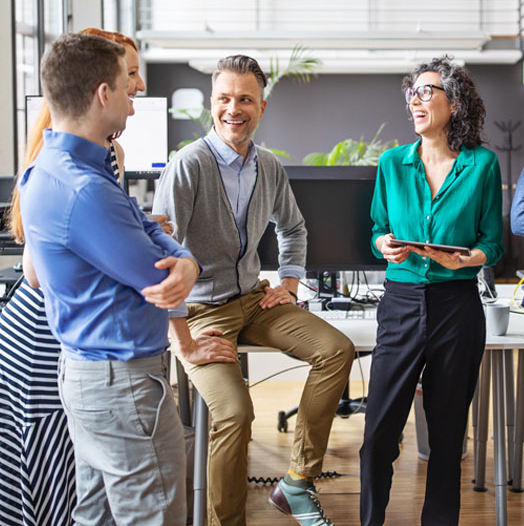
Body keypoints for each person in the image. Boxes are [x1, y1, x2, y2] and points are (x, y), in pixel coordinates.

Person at [153, 54, 354, 526]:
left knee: (337, 350)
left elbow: (294, 228)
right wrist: (182, 342)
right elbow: (159, 257)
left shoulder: (267, 165)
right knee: (235, 413)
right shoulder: (188, 165)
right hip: (201, 312)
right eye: (224, 98)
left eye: (245, 99)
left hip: (253, 299)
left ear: (261, 106)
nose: (233, 109)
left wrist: (287, 281)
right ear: (212, 103)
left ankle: (296, 483)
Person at [18, 33, 199, 525]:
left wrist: (181, 256)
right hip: (122, 386)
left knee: (94, 516)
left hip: (87, 375)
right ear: (102, 94)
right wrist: (185, 262)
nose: (133, 105)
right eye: (125, 87)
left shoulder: (49, 170)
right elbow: (155, 274)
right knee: (153, 517)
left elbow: (140, 224)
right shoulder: (84, 191)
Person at [360, 57, 504, 526]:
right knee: (379, 433)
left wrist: (467, 259)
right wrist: (383, 244)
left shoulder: (482, 164)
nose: (416, 101)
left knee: (446, 439)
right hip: (400, 305)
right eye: (412, 93)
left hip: (456, 309)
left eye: (427, 91)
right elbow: (379, 228)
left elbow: (492, 243)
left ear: (454, 101)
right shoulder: (391, 163)